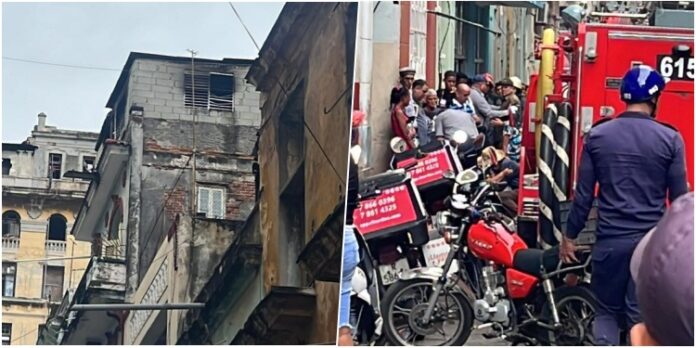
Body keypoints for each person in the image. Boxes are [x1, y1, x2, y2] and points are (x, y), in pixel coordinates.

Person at [560, 65, 689, 346]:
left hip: (609, 243)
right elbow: (681, 202)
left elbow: (583, 196)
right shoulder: (670, 139)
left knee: (605, 312)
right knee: (639, 317)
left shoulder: (597, 137)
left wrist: (569, 237)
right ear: (654, 99)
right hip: (650, 246)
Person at [629, 192, 693, 346]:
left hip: (611, 236)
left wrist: (570, 234)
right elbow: (678, 189)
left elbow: (585, 193)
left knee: (607, 311)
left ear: (640, 341)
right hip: (651, 224)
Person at [338, 116, 363, 346]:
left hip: (342, 238)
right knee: (342, 326)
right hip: (349, 235)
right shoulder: (351, 161)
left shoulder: (341, 160)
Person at [469, 73, 512, 149]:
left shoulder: (478, 94)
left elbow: (487, 106)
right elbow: (488, 112)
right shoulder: (474, 94)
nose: (489, 89)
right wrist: (507, 112)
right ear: (481, 84)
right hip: (478, 127)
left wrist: (500, 108)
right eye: (488, 86)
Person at [479, 146, 519, 215]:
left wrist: (502, 174)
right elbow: (489, 180)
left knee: (503, 196)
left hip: (518, 189)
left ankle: (517, 215)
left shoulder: (507, 164)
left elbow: (496, 182)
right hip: (509, 188)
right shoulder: (492, 168)